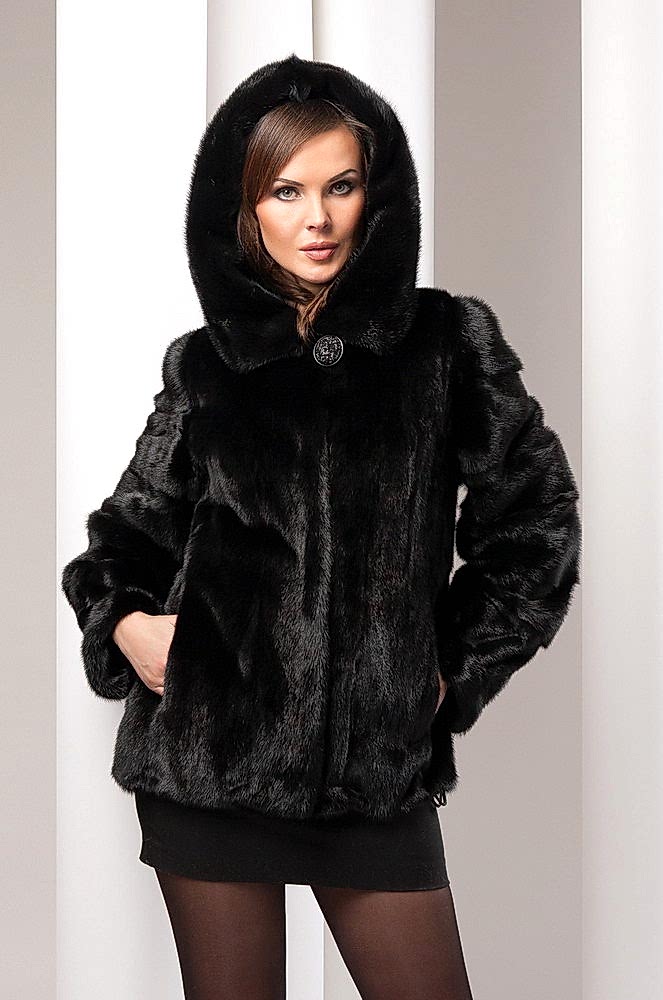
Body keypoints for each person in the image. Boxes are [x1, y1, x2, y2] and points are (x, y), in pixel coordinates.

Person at [61, 53, 581, 1000]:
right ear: (244, 208)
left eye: (340, 186)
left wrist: (445, 669)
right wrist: (127, 625)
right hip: (206, 763)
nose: (317, 219)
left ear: (375, 196)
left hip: (371, 776)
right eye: (286, 191)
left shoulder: (446, 343)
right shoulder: (206, 365)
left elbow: (534, 526)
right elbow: (122, 539)